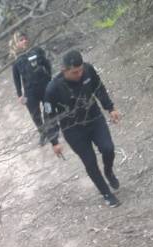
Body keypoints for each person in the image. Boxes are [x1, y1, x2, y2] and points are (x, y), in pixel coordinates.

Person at [43, 49, 122, 208]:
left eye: (80, 70)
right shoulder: (53, 88)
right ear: (64, 70)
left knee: (108, 148)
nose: (79, 74)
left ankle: (108, 171)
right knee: (90, 162)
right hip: (73, 130)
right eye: (74, 72)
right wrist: (54, 141)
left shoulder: (88, 70)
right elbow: (49, 116)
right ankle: (106, 193)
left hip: (94, 118)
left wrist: (110, 108)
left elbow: (99, 88)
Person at [12, 32, 52, 146]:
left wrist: (49, 78)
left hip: (44, 86)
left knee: (48, 108)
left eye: (25, 39)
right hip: (30, 91)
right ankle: (43, 133)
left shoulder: (37, 51)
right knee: (35, 114)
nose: (24, 41)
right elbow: (16, 78)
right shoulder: (16, 59)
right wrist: (20, 95)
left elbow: (47, 64)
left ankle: (50, 129)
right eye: (20, 40)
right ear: (17, 44)